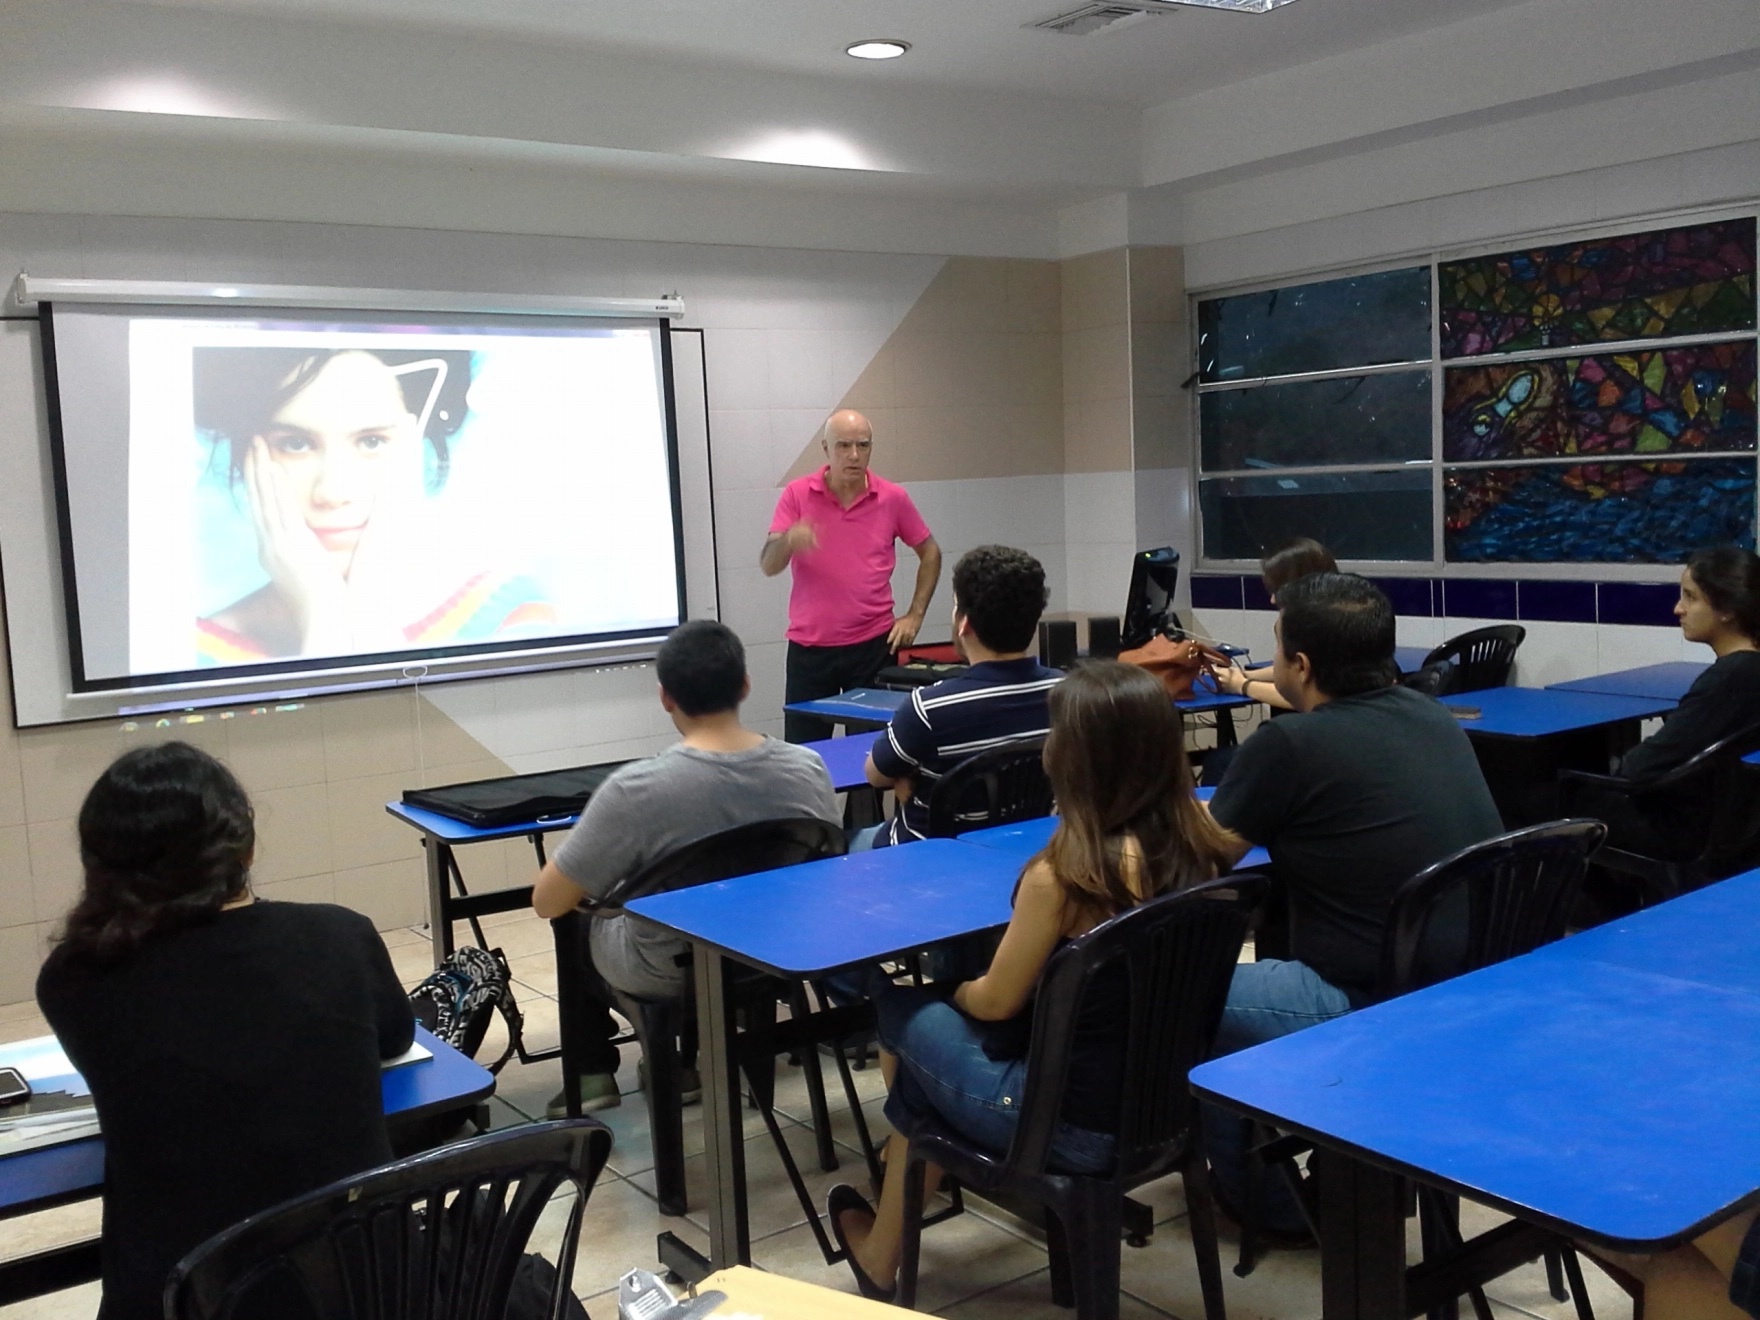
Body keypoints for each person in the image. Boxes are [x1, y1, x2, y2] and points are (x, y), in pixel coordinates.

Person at [826, 661, 1242, 1301]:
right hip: (1172, 1109)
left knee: (904, 1014)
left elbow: (996, 1002)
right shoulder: (1207, 848)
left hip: (1067, 1127)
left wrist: (949, 992)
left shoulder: (1066, 875)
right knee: (931, 1058)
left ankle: (884, 1252)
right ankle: (886, 1243)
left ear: (1076, 760)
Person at [35, 742, 415, 1320]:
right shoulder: (339, 935)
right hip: (363, 1290)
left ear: (101, 862)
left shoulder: (75, 979)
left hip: (181, 1299)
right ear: (245, 844)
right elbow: (395, 1038)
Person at [1203, 572, 1503, 1231]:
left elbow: (1199, 859)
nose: (1273, 662)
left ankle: (1272, 1207)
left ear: (1302, 666)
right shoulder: (1432, 715)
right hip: (1475, 989)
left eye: (1278, 650)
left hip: (1374, 1001)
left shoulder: (1289, 743)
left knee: (1178, 994)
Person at [530, 619, 840, 1115]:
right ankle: (684, 1060)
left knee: (576, 912)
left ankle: (591, 1074)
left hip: (667, 970)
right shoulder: (807, 768)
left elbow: (547, 902)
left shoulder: (636, 789)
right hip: (774, 953)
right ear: (744, 685)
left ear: (665, 697)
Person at [194, 346, 555, 664]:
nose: (333, 492)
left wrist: (368, 612)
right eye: (295, 444)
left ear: (417, 448)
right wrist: (323, 617)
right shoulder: (195, 650)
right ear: (247, 457)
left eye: (371, 442)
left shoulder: (506, 611)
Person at [857, 545, 1061, 849]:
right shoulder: (1069, 696)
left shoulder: (928, 708)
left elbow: (876, 775)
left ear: (964, 623)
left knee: (853, 844)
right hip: (1027, 853)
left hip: (933, 863)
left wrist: (904, 775)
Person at [761, 409, 941, 743]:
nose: (854, 455)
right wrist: (789, 541)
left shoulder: (892, 497)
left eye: (863, 445)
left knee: (873, 751)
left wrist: (915, 615)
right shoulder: (797, 495)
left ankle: (866, 800)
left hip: (872, 646)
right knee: (806, 753)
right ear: (826, 449)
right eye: (844, 445)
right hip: (810, 650)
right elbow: (769, 565)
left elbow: (930, 552)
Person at [1209, 537, 1338, 712]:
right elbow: (1292, 669)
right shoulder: (1331, 614)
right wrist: (1242, 675)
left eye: (1278, 590)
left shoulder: (1327, 628)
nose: (1272, 599)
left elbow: (1308, 698)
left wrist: (1242, 685)